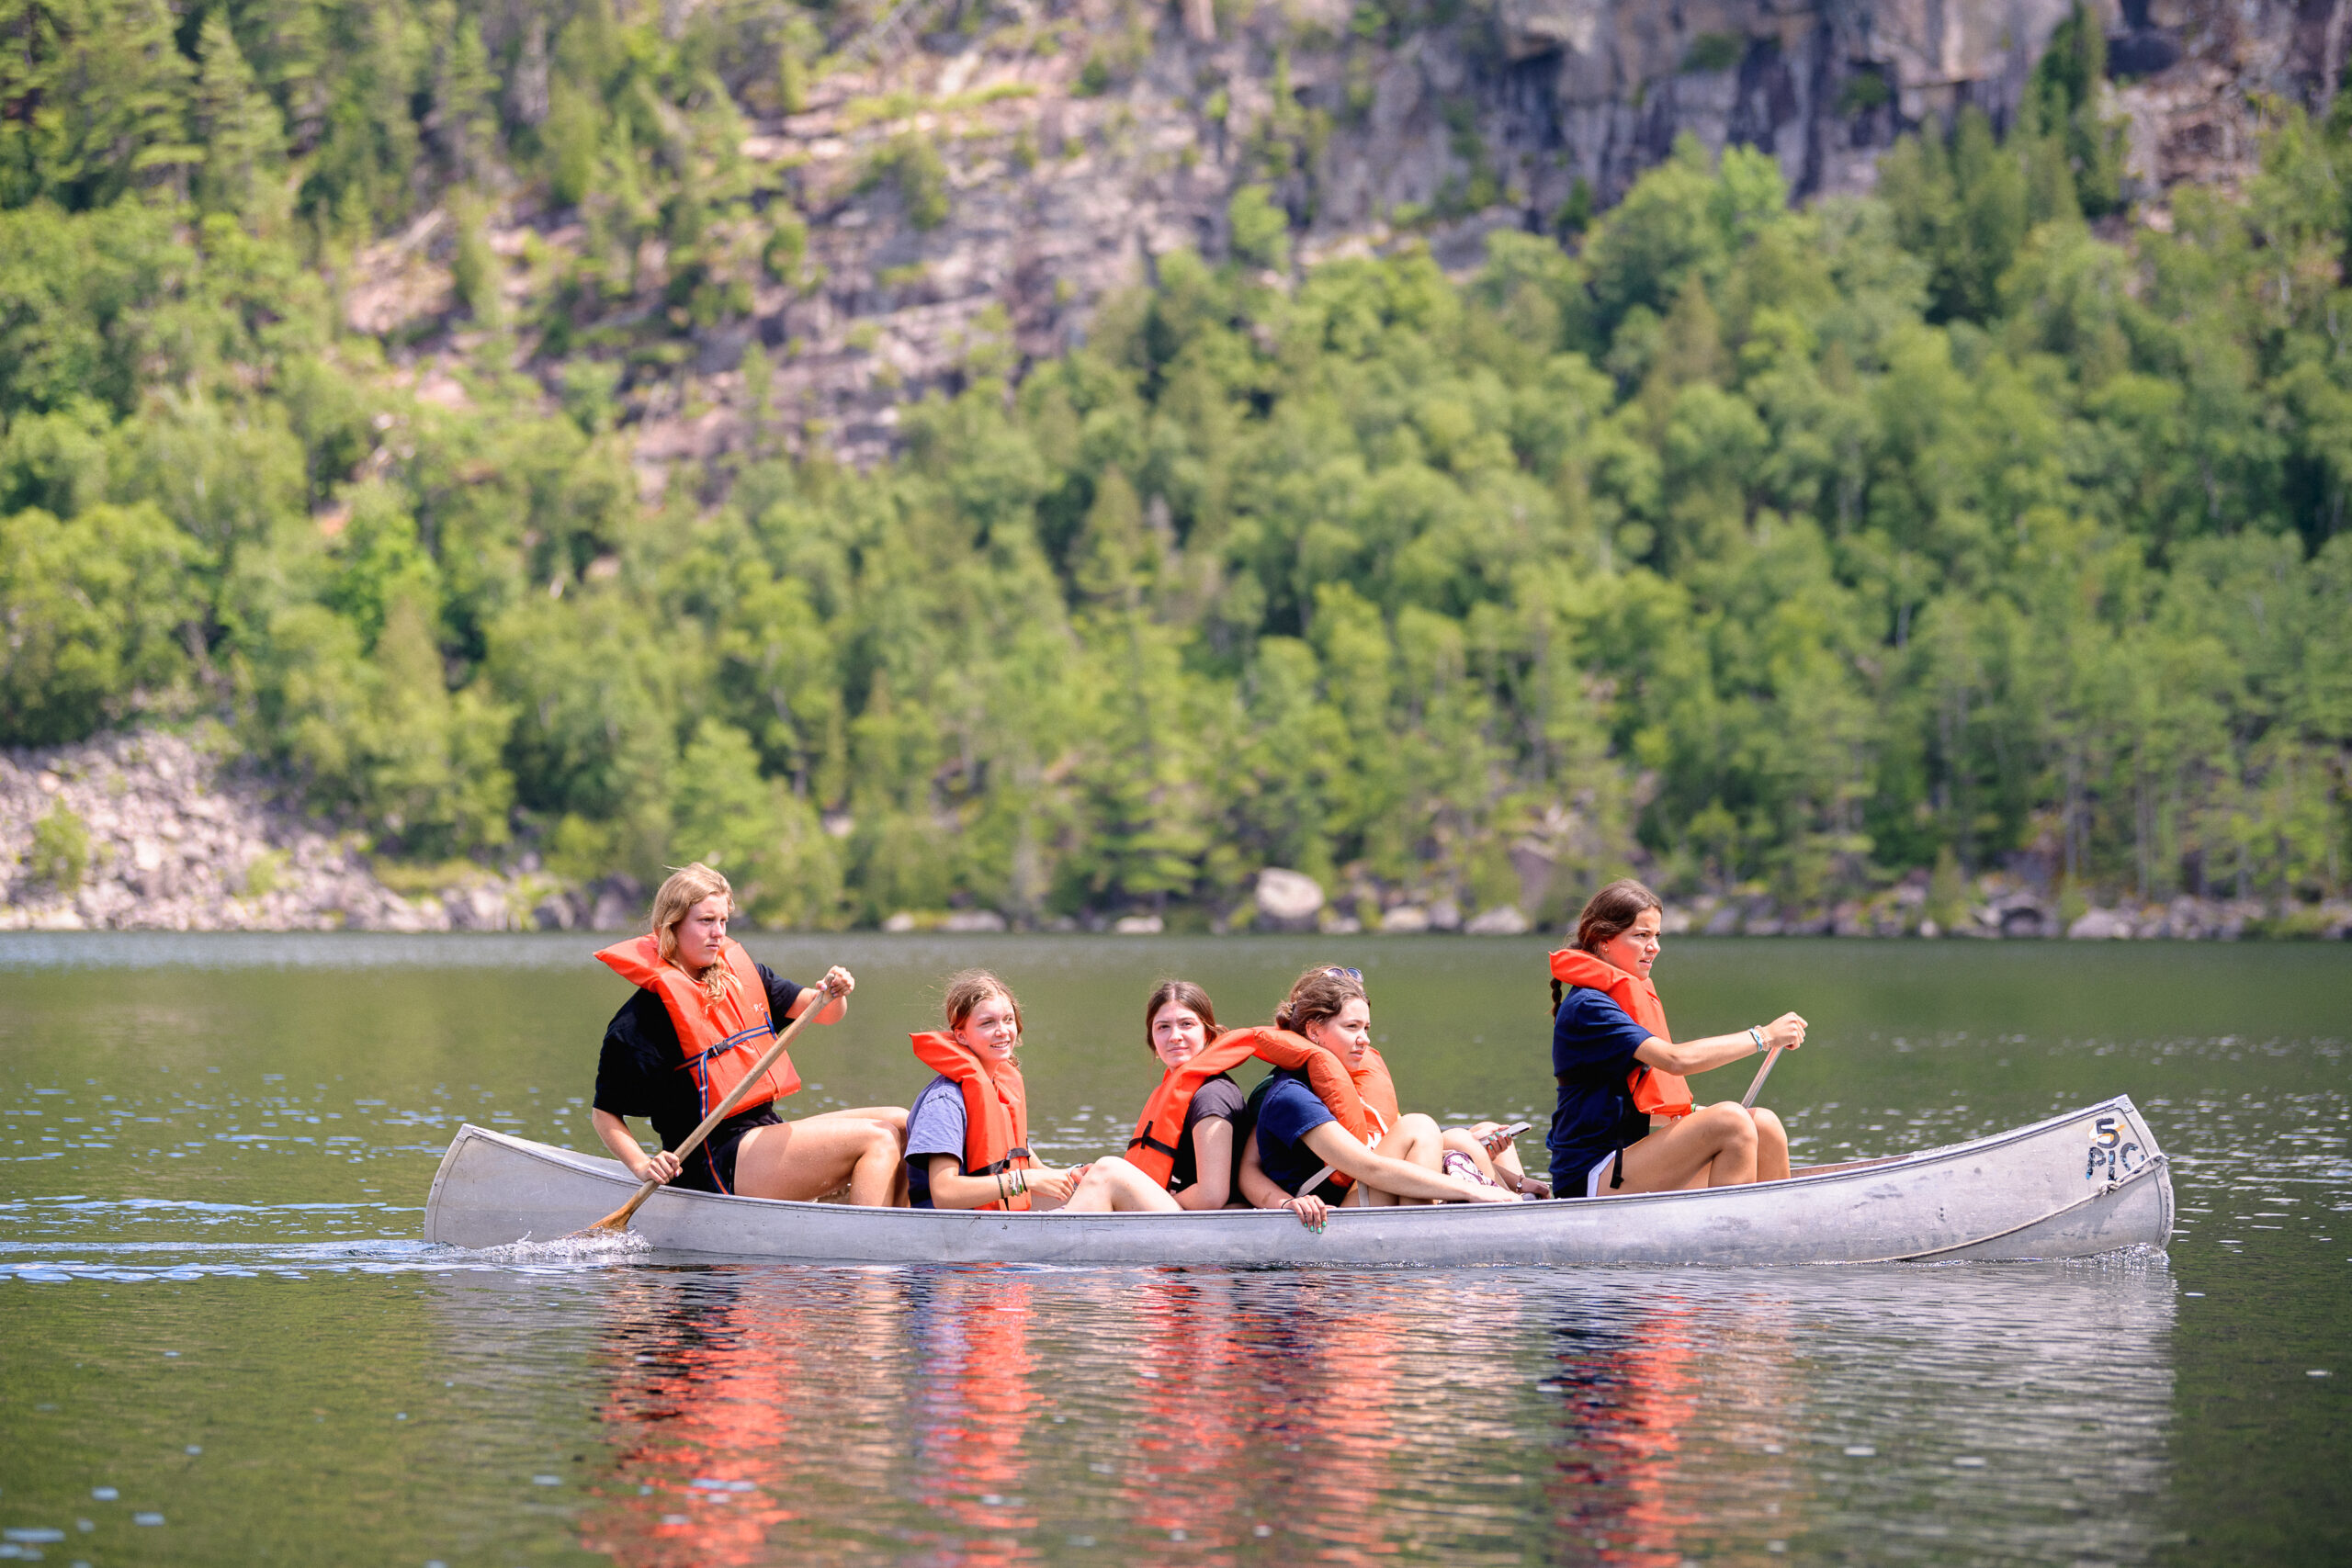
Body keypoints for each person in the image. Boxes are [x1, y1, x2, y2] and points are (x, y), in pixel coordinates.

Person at [589, 863, 909, 1205]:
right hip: (712, 1159)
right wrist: (642, 1164)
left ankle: (884, 1225)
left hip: (761, 1137)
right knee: (878, 1138)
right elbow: (604, 1114)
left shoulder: (743, 978)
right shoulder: (640, 1021)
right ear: (671, 925)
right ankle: (868, 1251)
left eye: (723, 921)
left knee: (904, 1123)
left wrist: (834, 992)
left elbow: (826, 1012)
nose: (718, 933)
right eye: (706, 921)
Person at [1546, 877, 1808, 1198]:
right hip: (1590, 1177)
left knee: (1763, 1124)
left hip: (1630, 1161)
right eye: (1641, 936)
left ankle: (1778, 1232)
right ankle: (1727, 1240)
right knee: (1731, 1121)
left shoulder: (1622, 997)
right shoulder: (1590, 1005)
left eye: (1656, 935)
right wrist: (1764, 1036)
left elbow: (1638, 1107)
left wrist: (1693, 1115)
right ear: (1603, 941)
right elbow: (1675, 1060)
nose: (1654, 946)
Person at [1236, 964, 1517, 1223]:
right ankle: (1427, 1236)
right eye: (1352, 1027)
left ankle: (1512, 1205)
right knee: (1418, 1126)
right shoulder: (1289, 1096)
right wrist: (1471, 1191)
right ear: (1314, 1030)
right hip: (1333, 1217)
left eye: (1366, 1028)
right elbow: (1370, 1168)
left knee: (1459, 1138)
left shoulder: (1351, 1080)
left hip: (1362, 1197)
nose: (1365, 1039)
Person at [905, 969, 1182, 1213]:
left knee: (1104, 1173)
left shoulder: (999, 1093)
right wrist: (1025, 1181)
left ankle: (1179, 1228)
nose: (1002, 1031)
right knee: (1111, 1172)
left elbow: (1037, 1172)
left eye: (1008, 1020)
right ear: (961, 1035)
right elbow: (944, 1193)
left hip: (999, 1220)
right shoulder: (945, 1101)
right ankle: (1186, 1234)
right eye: (987, 1023)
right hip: (960, 1235)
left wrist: (1074, 1175)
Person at [1129, 979, 1245, 1210]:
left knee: (1107, 1171)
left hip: (1210, 1225)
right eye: (1163, 1027)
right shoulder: (1176, 1091)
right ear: (1152, 1038)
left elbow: (1212, 1196)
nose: (1175, 1036)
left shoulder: (1212, 1097)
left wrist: (1137, 1203)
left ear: (1208, 1033)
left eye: (1186, 1024)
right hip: (1176, 1212)